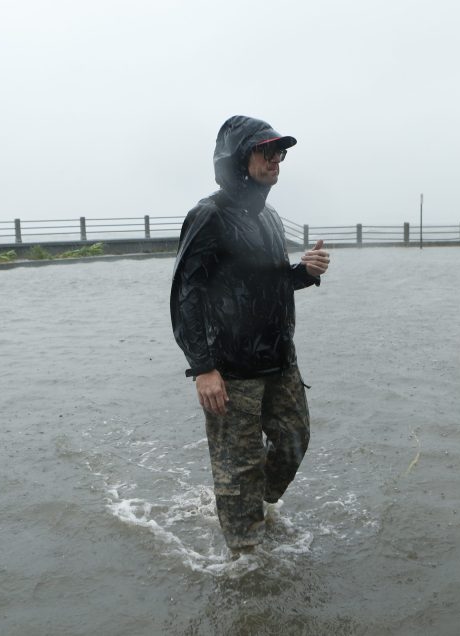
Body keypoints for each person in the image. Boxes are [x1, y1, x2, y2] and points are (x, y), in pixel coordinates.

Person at [170, 115, 330, 554]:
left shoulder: (270, 217)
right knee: (236, 466)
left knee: (295, 440)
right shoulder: (208, 216)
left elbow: (269, 281)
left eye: (280, 152)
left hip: (280, 359)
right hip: (230, 369)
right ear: (240, 159)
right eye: (267, 151)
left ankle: (257, 503)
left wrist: (303, 273)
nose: (276, 160)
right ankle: (245, 563)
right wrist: (203, 368)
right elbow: (185, 295)